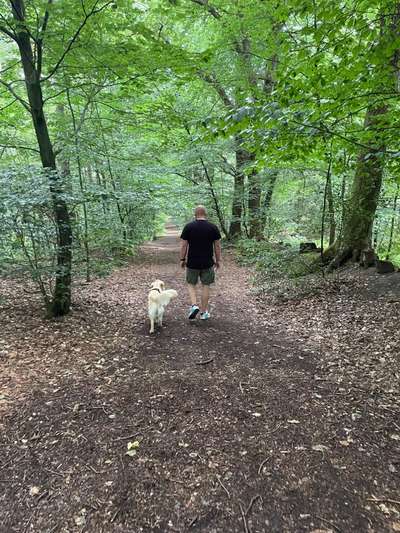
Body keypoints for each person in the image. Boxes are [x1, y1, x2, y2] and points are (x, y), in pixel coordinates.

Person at [180, 206, 222, 320]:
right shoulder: (213, 227)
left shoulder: (188, 227)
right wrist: (218, 260)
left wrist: (182, 259)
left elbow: (184, 245)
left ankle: (194, 306)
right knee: (206, 286)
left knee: (191, 284)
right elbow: (217, 246)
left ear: (195, 214)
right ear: (205, 214)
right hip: (207, 263)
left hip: (192, 262)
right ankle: (203, 313)